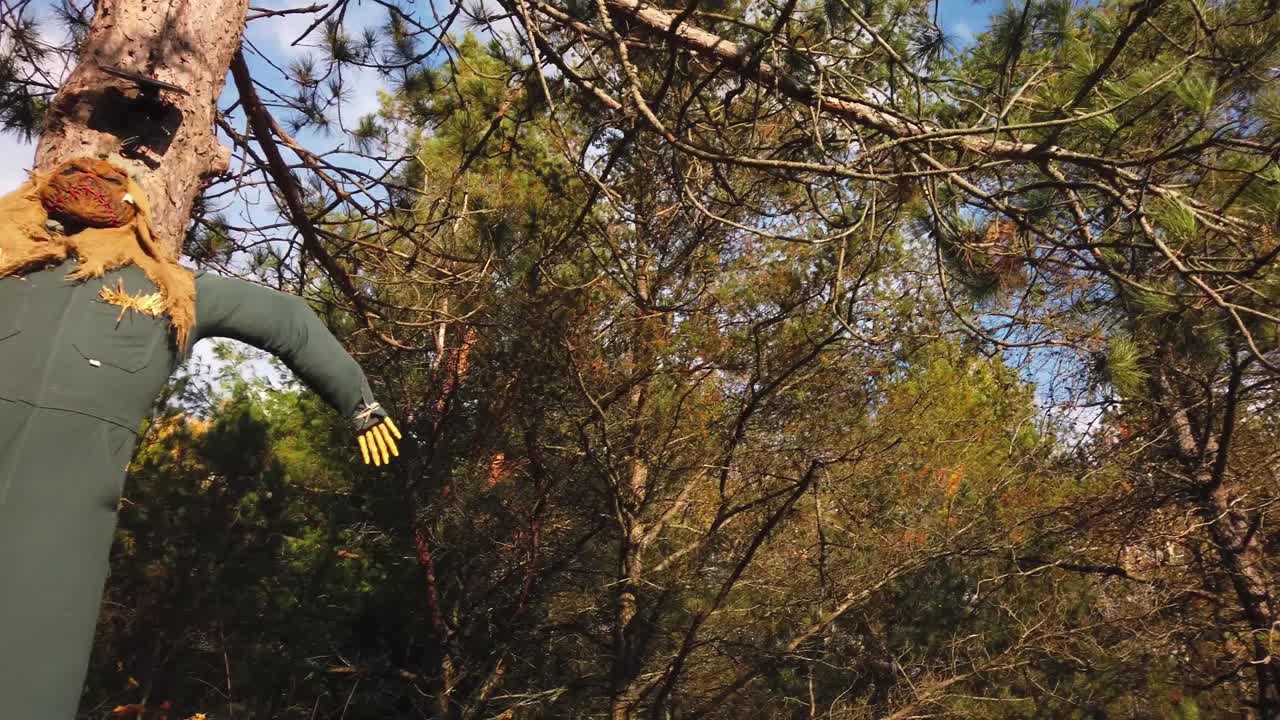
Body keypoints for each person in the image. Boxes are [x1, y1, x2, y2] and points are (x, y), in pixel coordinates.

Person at [0, 157, 401, 718]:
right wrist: (361, 404)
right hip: (65, 523)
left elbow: (287, 318)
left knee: (32, 675)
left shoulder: (169, 293)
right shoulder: (35, 273)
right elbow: (288, 316)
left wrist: (360, 402)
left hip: (63, 527)